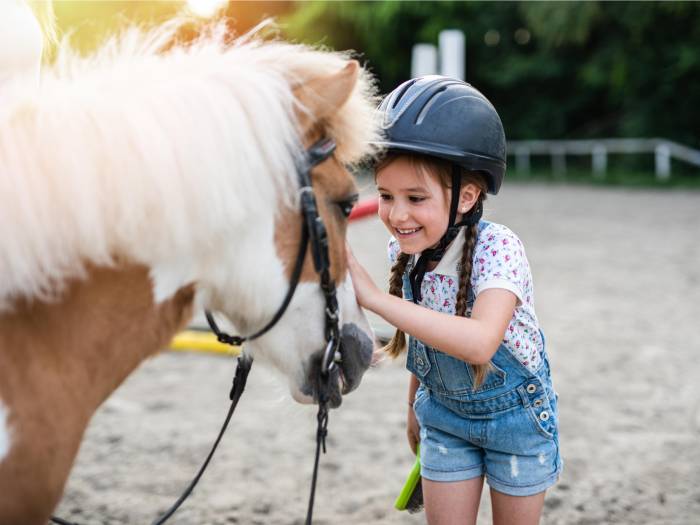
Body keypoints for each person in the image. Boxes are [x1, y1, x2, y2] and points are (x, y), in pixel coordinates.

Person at [346, 76, 562, 525]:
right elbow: (424, 336)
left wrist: (372, 299)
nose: (397, 214)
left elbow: (481, 342)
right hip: (443, 416)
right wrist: (414, 406)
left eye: (416, 198)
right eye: (386, 196)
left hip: (516, 422)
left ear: (467, 196)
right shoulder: (406, 251)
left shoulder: (498, 249)